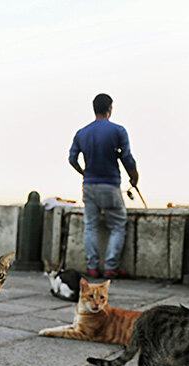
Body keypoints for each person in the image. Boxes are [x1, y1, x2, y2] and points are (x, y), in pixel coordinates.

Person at [68, 93, 139, 279]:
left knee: (90, 225)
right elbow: (127, 158)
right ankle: (110, 267)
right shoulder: (118, 131)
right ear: (110, 109)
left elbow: (72, 159)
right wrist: (134, 178)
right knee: (117, 225)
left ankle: (92, 267)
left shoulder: (81, 133)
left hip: (89, 185)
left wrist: (84, 173)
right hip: (110, 184)